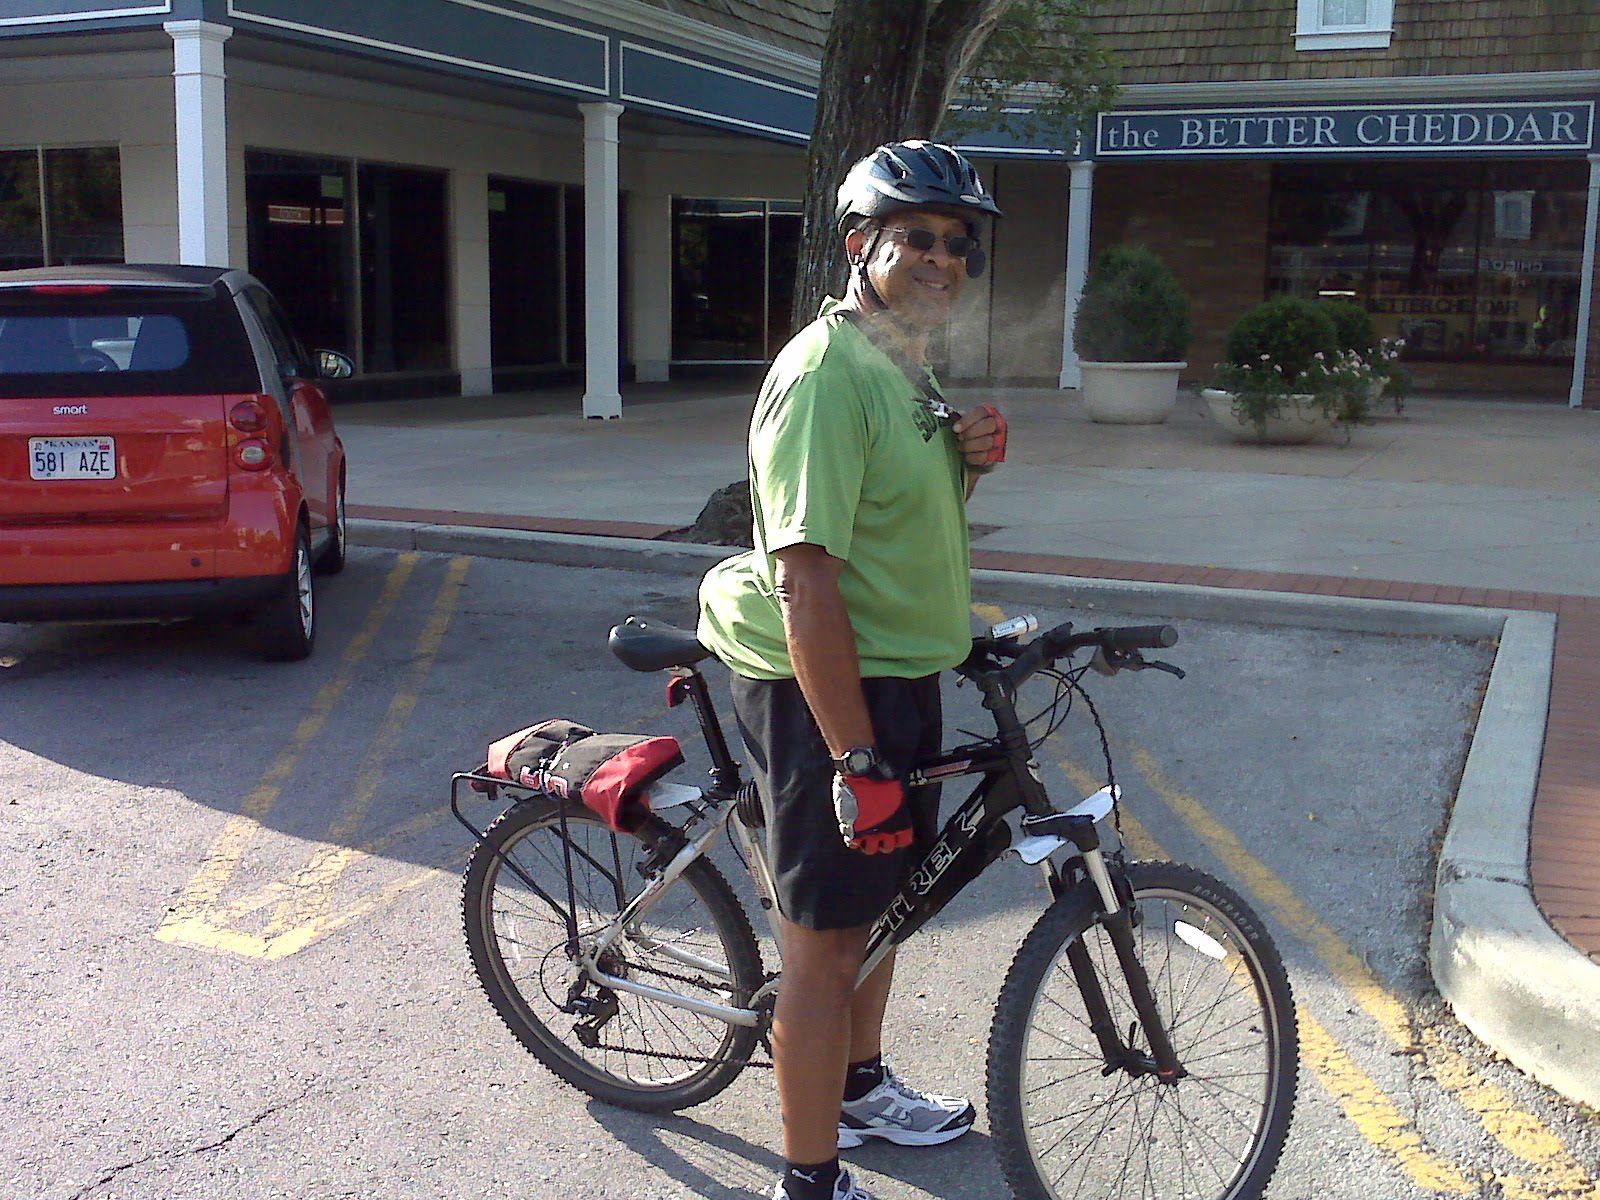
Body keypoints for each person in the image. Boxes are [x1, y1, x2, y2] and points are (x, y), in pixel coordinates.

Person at [697, 140, 1008, 1200]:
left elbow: (889, 528)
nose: (943, 259)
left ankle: (860, 1089)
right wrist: (854, 757)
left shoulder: (903, 364)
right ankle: (808, 1179)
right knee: (824, 950)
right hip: (821, 689)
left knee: (880, 912)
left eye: (958, 243)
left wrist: (965, 463)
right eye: (918, 237)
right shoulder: (826, 374)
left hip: (891, 675)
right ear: (859, 246)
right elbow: (806, 582)